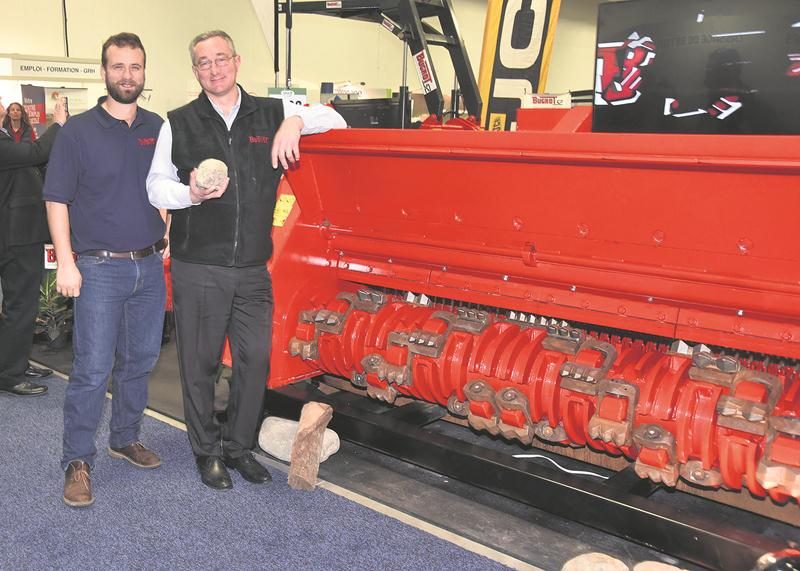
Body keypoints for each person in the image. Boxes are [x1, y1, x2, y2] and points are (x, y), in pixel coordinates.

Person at [147, 30, 345, 490]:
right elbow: (155, 185)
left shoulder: (273, 112)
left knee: (255, 362)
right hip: (199, 268)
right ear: (195, 71)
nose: (214, 68)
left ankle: (239, 448)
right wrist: (189, 193)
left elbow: (335, 120)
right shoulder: (178, 122)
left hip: (254, 269)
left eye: (221, 59)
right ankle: (207, 452)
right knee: (199, 364)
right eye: (203, 62)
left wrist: (296, 124)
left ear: (236, 61)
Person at [43, 32, 167, 508]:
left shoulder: (157, 126)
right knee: (93, 371)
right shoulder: (77, 132)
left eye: (135, 67)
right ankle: (77, 460)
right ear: (103, 71)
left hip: (149, 267)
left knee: (140, 362)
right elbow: (57, 199)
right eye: (118, 67)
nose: (127, 75)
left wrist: (167, 227)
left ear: (143, 71)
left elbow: (165, 186)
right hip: (96, 269)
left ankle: (124, 437)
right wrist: (66, 263)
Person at [0, 99, 66, 397]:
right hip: (16, 236)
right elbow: (36, 152)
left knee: (21, 306)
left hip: (18, 233)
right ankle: (10, 375)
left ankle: (15, 363)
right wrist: (59, 123)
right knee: (21, 306)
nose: (3, 105)